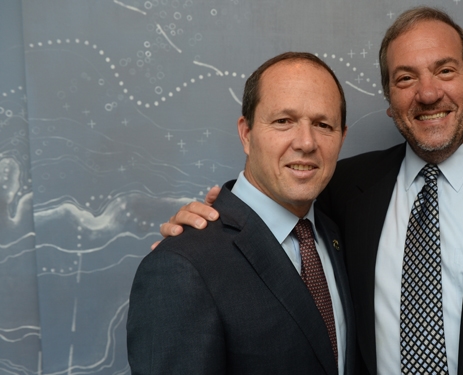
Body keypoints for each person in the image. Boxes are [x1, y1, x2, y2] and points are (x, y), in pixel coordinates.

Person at [159, 7, 463, 374]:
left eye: (445, 71)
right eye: (405, 78)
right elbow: (268, 216)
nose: (427, 93)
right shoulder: (342, 187)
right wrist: (204, 232)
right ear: (389, 101)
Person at [127, 52, 356, 374]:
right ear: (246, 134)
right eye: (283, 121)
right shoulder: (182, 265)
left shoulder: (339, 234)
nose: (306, 142)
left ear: (341, 138)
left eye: (323, 124)